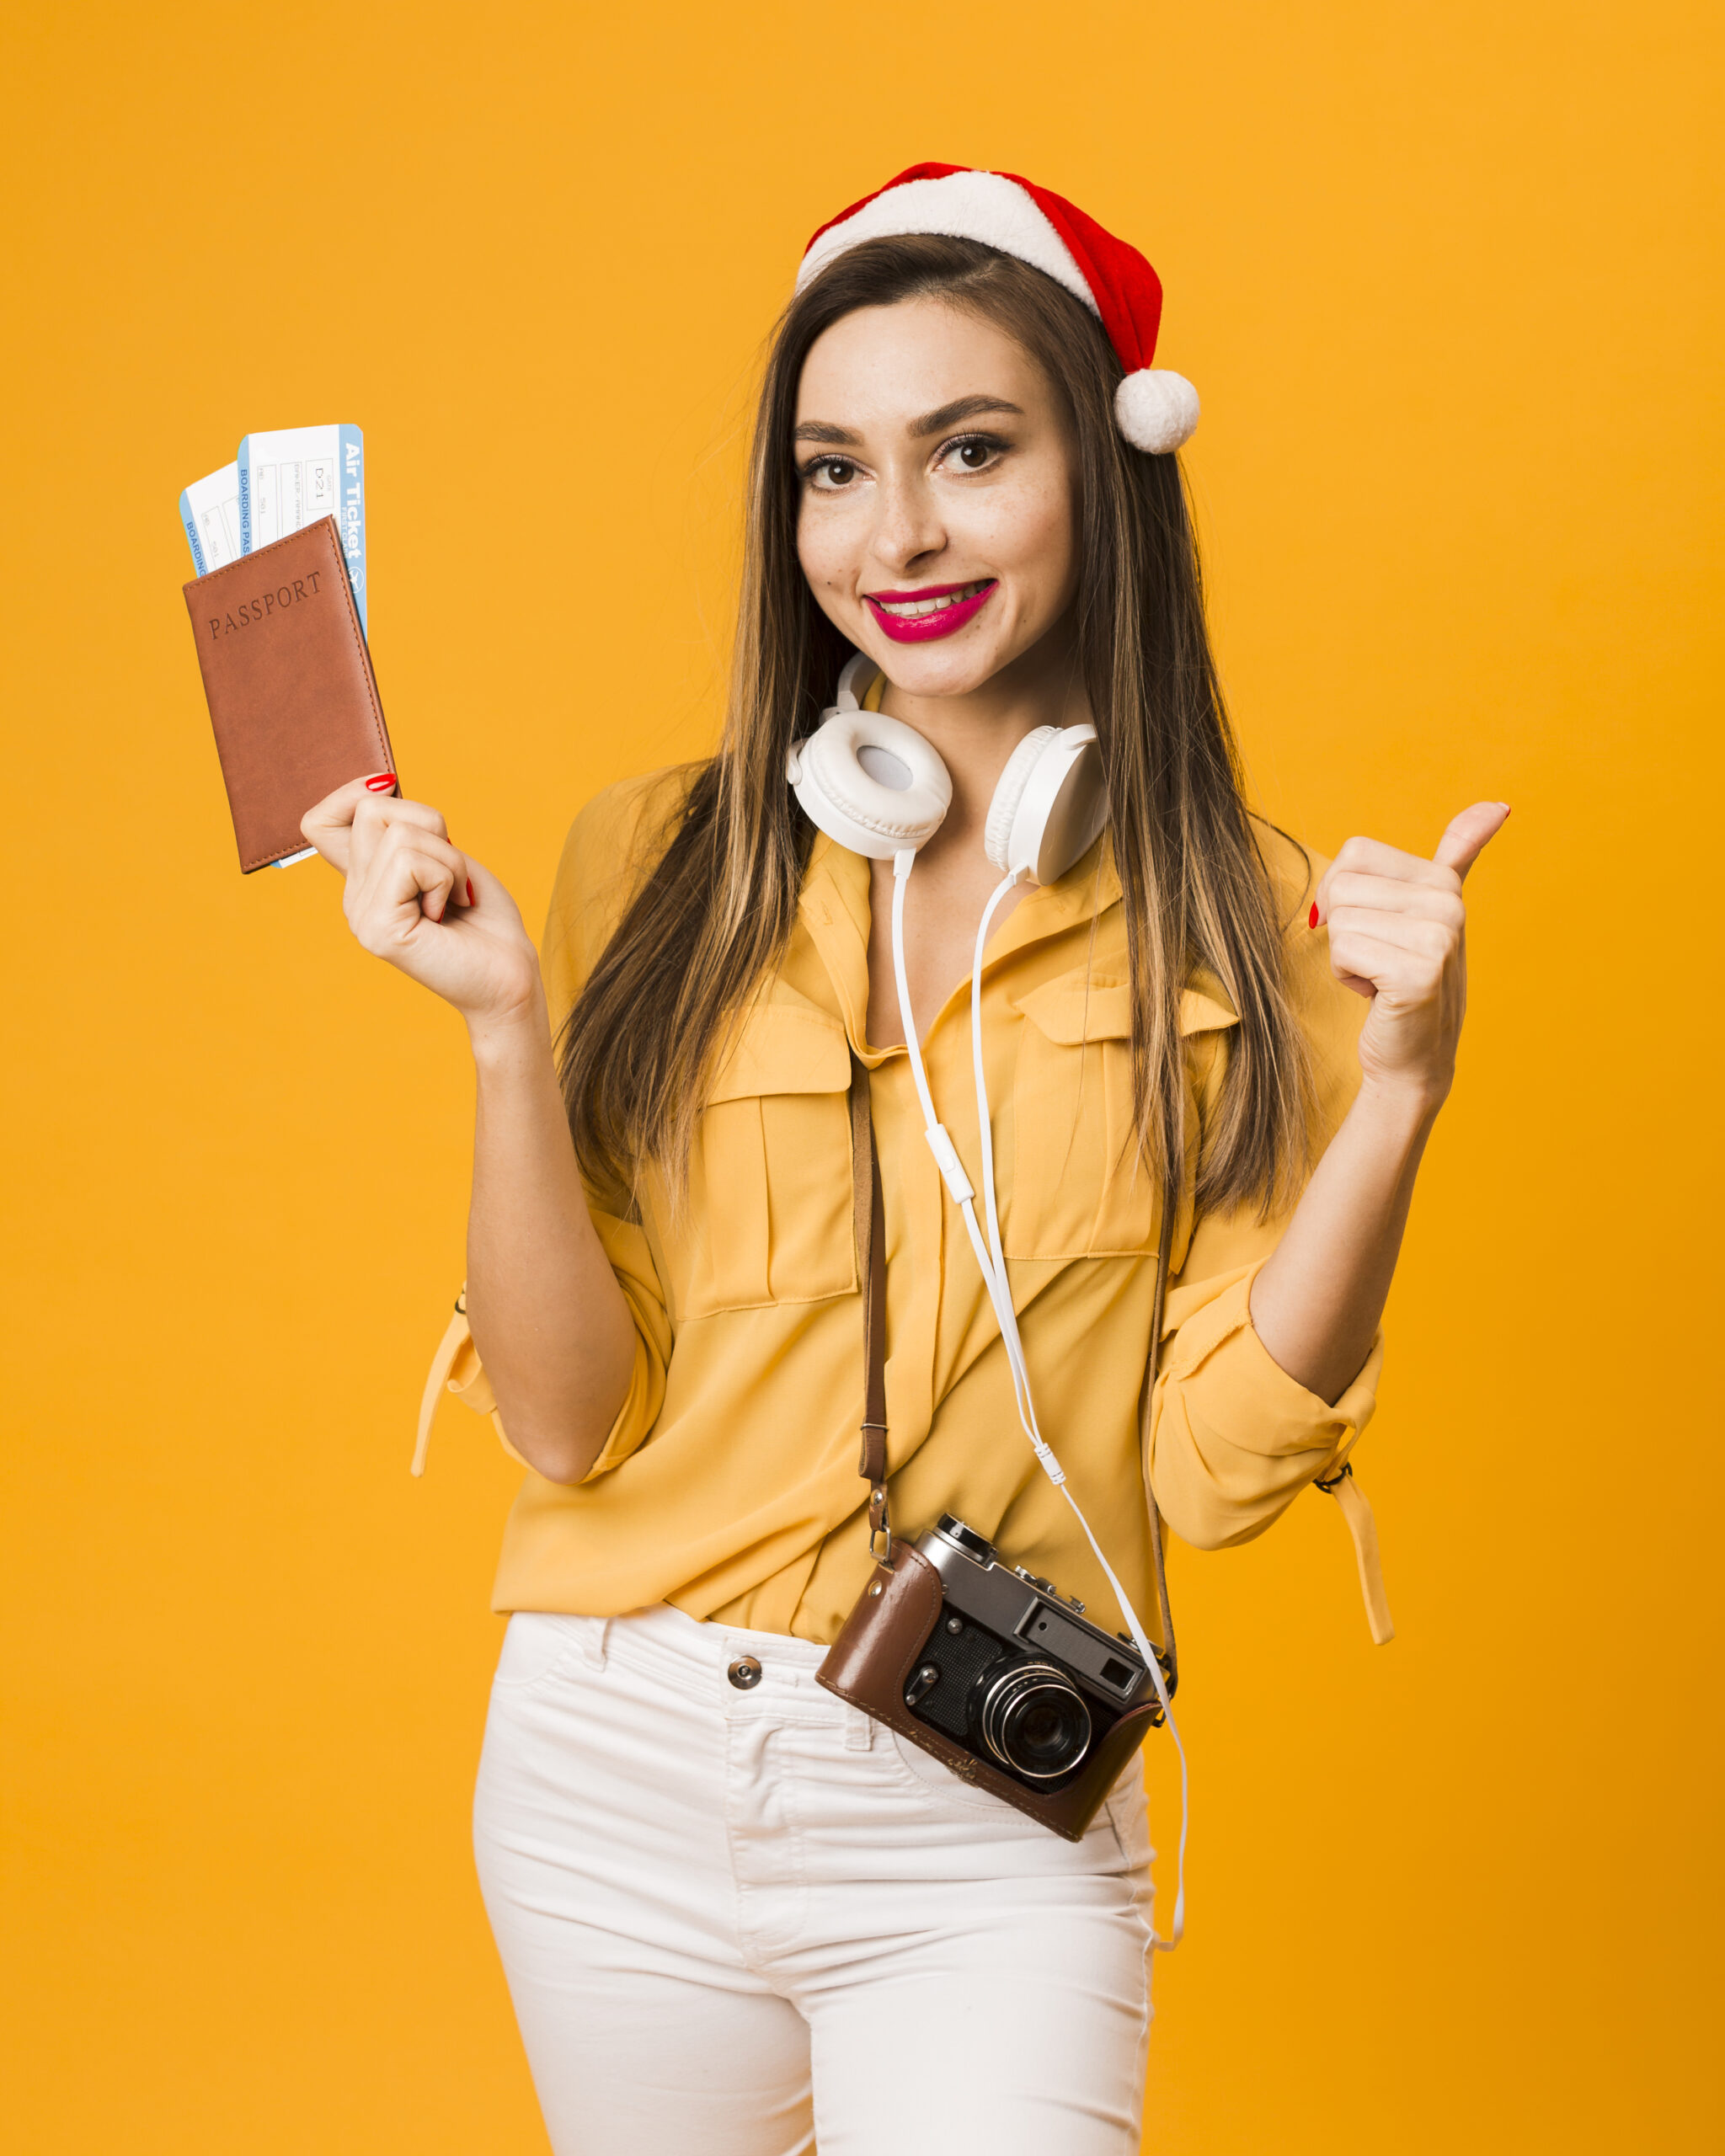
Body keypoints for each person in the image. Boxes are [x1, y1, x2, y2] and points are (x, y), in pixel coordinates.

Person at [302, 164, 1505, 2156]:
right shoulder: (649, 862)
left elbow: (1211, 1480)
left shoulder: (1247, 918)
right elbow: (567, 1422)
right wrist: (507, 1030)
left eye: (969, 450)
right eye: (834, 471)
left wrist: (1397, 1091)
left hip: (984, 1791)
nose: (899, 534)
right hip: (612, 1765)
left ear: (1107, 476)